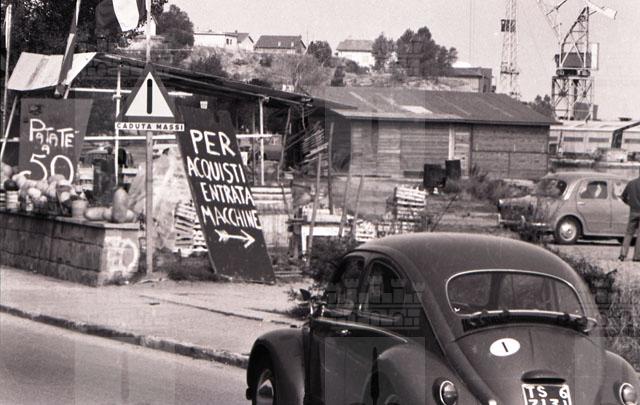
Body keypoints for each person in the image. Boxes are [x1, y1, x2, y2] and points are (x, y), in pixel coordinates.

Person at [619, 168, 640, 262]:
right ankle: (637, 256)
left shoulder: (631, 183)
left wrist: (629, 203)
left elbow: (623, 197)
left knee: (628, 233)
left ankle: (623, 254)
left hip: (633, 211)